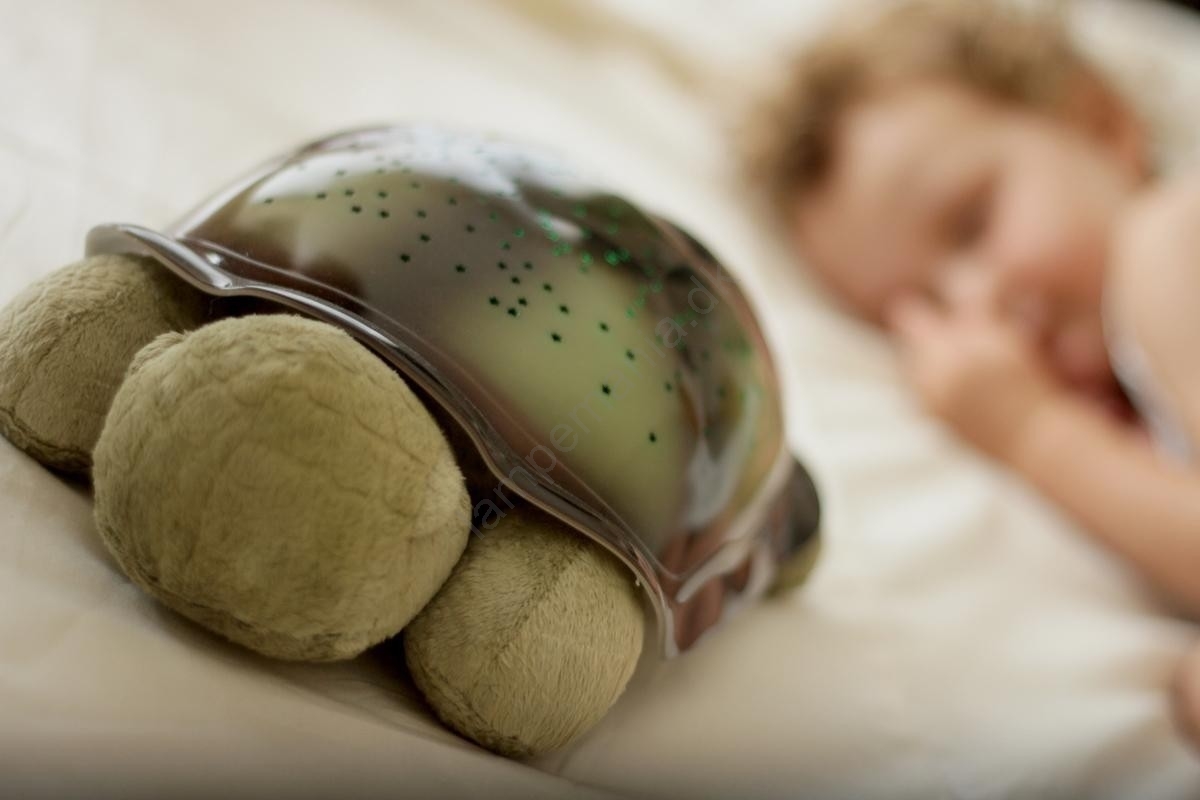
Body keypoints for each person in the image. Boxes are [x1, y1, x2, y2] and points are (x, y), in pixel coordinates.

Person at [743, 0, 1200, 748]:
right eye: (922, 308)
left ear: (1102, 125)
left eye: (971, 224)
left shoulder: (1171, 243)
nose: (976, 305)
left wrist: (1030, 430)